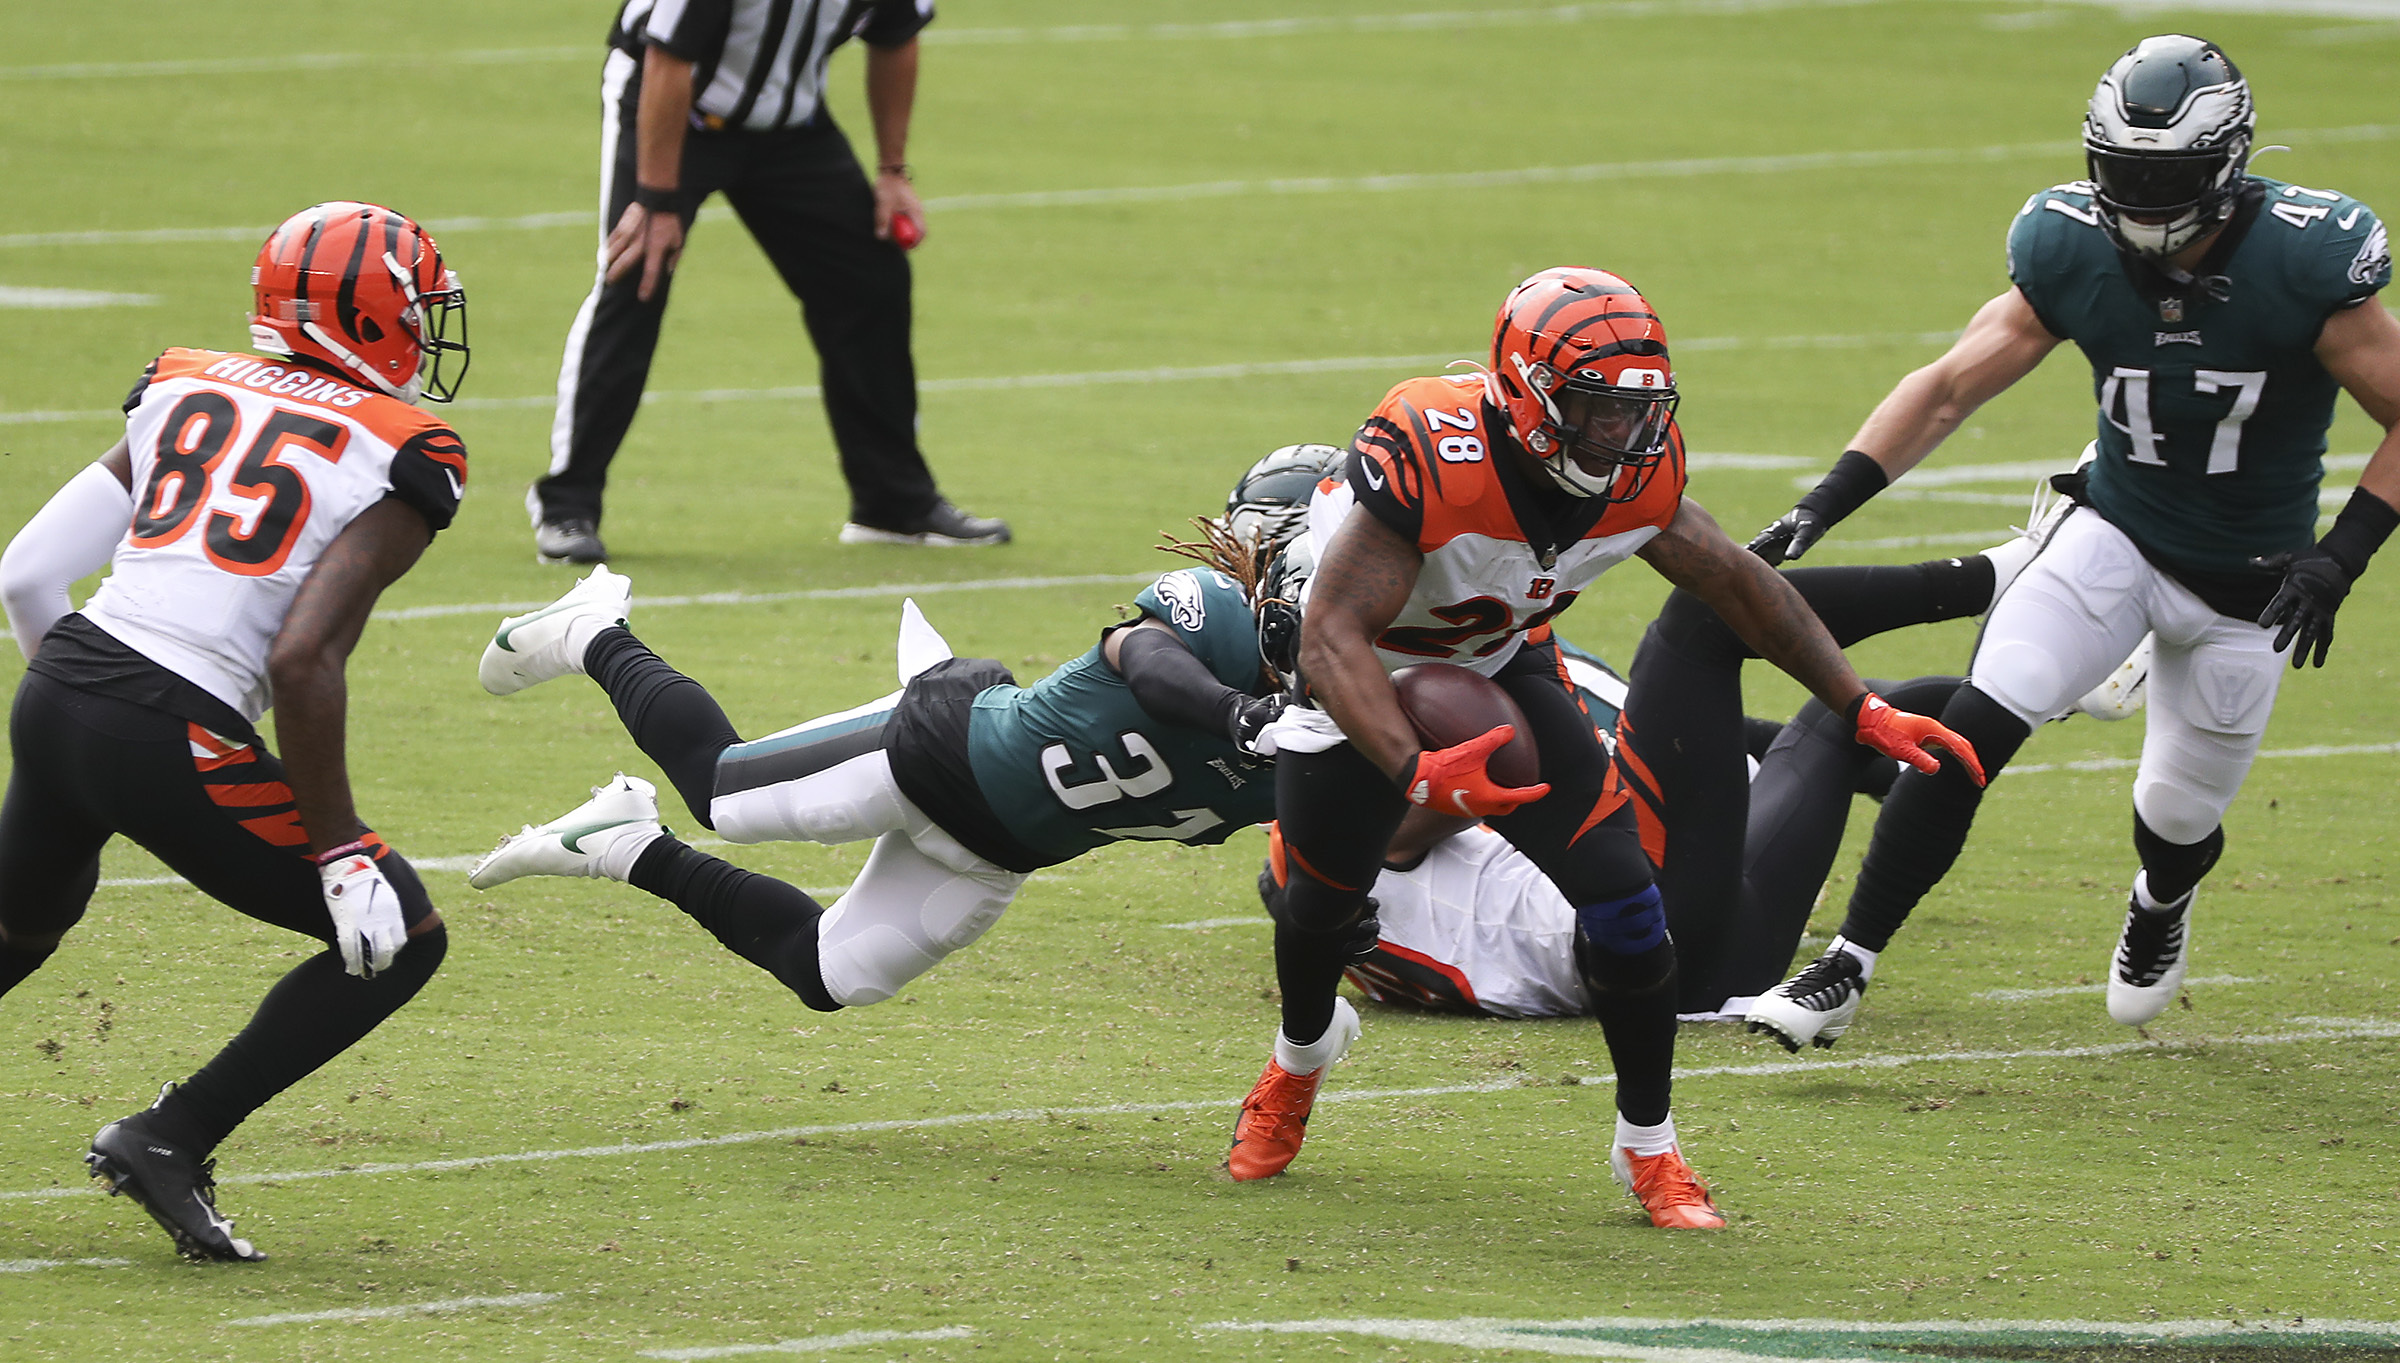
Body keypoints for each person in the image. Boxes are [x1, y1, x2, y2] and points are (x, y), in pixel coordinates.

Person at [1239, 267, 1986, 1229]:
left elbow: (1738, 583)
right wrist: (1414, 769)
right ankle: (1298, 1062)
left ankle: (1651, 1145)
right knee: (1319, 906)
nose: (1621, 435)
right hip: (1362, 677)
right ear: (1526, 395)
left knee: (1631, 911)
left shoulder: (1641, 472)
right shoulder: (1435, 448)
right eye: (1595, 410)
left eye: (1638, 412)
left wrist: (1860, 705)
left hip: (1506, 661)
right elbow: (1332, 634)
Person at [1742, 35, 2398, 1050]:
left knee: (2178, 817)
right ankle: (1846, 965)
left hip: (2250, 584)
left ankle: (2161, 897)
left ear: (2225, 168)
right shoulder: (2070, 243)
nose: (2138, 198)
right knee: (1970, 726)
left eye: (2163, 177)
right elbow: (1952, 383)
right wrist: (1828, 499)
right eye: (2123, 173)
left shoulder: (2305, 259)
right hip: (2116, 535)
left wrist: (2342, 554)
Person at [0, 203, 470, 1262]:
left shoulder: (185, 379)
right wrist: (342, 843)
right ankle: (170, 1135)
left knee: (18, 934)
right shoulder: (407, 448)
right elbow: (304, 659)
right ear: (377, 314)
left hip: (62, 685)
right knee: (400, 936)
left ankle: (167, 1138)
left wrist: (85, 722)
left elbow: (24, 572)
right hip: (170, 724)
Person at [463, 514, 1296, 1012]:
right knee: (718, 788)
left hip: (995, 855)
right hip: (940, 745)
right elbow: (1147, 662)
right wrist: (1239, 713)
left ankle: (623, 844)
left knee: (833, 975)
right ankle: (591, 630)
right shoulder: (1215, 617)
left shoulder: (1313, 749)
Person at [531, 0, 1008, 564]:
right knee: (638, 275)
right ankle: (567, 504)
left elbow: (895, 33)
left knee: (869, 280)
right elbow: (669, 56)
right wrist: (658, 200)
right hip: (671, 107)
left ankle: (891, 502)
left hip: (790, 124)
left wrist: (892, 172)